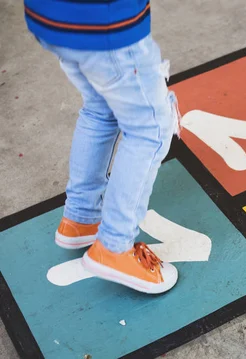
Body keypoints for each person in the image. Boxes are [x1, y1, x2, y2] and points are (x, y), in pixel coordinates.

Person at [24, 0, 180, 294]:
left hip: (51, 17)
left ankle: (81, 219)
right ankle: (114, 246)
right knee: (151, 130)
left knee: (100, 109)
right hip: (105, 24)